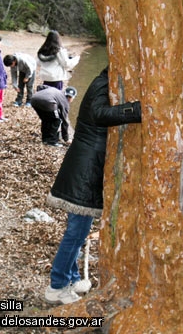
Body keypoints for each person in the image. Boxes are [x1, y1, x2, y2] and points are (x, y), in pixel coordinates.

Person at [44, 67, 142, 304]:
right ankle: (56, 286)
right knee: (76, 233)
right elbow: (98, 114)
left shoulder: (102, 82)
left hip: (85, 165)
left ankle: (72, 277)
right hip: (84, 169)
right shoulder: (101, 83)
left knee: (78, 231)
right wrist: (135, 110)